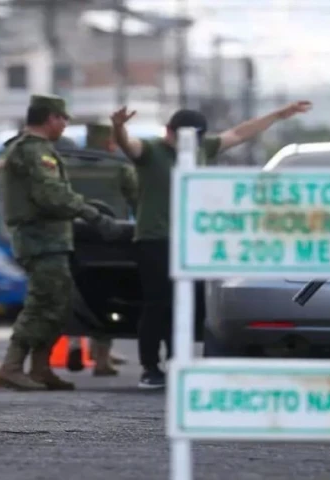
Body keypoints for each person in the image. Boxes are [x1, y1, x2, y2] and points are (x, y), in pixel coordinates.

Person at [111, 101, 312, 389]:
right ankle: (150, 366)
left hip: (192, 241)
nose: (188, 143)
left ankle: (179, 362)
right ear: (169, 132)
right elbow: (128, 145)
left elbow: (240, 133)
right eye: (182, 137)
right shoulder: (152, 151)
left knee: (189, 304)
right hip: (156, 239)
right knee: (158, 303)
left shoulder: (202, 149)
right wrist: (118, 126)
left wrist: (278, 115)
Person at [0, 94, 125, 391]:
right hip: (41, 239)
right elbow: (51, 195)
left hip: (48, 238)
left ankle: (40, 368)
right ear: (51, 118)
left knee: (58, 304)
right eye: (63, 118)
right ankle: (12, 367)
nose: (65, 125)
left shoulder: (33, 149)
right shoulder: (34, 151)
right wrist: (91, 213)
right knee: (43, 304)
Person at [65, 121, 136, 377]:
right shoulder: (119, 167)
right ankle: (102, 360)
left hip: (72, 236)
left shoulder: (66, 165)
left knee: (74, 294)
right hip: (109, 237)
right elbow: (137, 198)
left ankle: (74, 343)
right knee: (107, 294)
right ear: (110, 143)